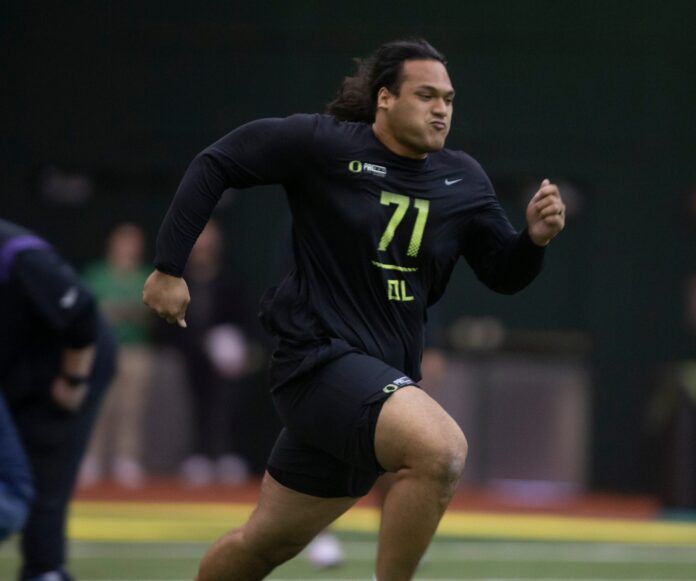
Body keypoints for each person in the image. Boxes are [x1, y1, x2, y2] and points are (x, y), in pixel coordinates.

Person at [143, 38, 565, 581]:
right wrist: (169, 267)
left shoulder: (464, 179)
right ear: (385, 98)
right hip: (316, 364)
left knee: (261, 545)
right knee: (441, 452)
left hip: (380, 380)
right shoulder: (324, 145)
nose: (441, 109)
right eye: (426, 95)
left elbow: (503, 275)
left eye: (449, 99)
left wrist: (533, 240)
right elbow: (218, 160)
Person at [0, 218, 116, 580]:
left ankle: (45, 571)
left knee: (40, 480)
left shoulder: (16, 254)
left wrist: (73, 380)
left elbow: (79, 312)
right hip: (16, 369)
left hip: (65, 370)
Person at [157, 220, 265, 486]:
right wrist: (199, 344)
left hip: (227, 360)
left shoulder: (231, 280)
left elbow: (248, 321)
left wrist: (241, 348)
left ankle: (228, 453)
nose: (204, 247)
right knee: (198, 384)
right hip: (188, 355)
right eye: (199, 241)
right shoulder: (176, 280)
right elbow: (164, 326)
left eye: (209, 241)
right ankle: (199, 454)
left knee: (230, 386)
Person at [80, 222, 153, 488]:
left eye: (133, 242)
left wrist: (125, 312)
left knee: (131, 407)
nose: (128, 247)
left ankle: (127, 459)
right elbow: (89, 309)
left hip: (136, 350)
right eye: (123, 241)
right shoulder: (97, 274)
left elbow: (151, 311)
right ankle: (91, 458)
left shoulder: (147, 275)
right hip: (102, 350)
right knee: (100, 405)